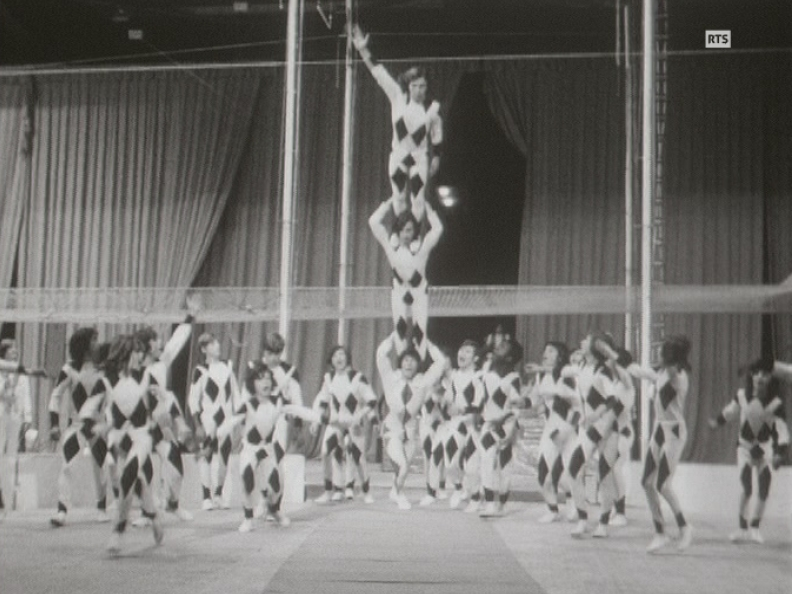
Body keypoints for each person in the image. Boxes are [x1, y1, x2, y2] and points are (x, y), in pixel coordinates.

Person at [351, 23, 443, 230]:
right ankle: (400, 233)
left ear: (427, 87)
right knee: (399, 197)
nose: (419, 90)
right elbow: (378, 72)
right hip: (400, 156)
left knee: (417, 199)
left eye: (423, 86)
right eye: (415, 86)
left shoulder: (432, 110)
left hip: (419, 157)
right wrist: (362, 48)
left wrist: (436, 156)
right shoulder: (397, 97)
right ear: (408, 86)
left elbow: (437, 135)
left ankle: (415, 238)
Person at [708, 357, 790, 544]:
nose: (760, 377)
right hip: (744, 448)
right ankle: (741, 528)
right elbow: (729, 412)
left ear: (771, 378)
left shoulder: (776, 404)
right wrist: (716, 422)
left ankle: (754, 528)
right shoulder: (741, 396)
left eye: (765, 374)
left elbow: (782, 431)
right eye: (757, 373)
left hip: (764, 449)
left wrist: (780, 453)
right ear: (752, 376)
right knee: (747, 488)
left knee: (764, 489)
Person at [131, 305, 196, 525]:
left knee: (176, 470)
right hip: (140, 428)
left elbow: (177, 341)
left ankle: (172, 504)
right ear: (147, 345)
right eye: (156, 340)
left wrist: (190, 317)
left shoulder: (161, 364)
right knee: (143, 469)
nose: (160, 343)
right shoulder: (134, 371)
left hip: (161, 428)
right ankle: (145, 513)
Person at [629, 335, 694, 553]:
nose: (656, 352)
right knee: (647, 482)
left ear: (670, 356)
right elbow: (640, 371)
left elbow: (669, 371)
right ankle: (660, 532)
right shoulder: (663, 371)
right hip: (660, 429)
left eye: (661, 350)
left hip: (674, 431)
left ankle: (685, 528)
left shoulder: (678, 375)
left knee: (663, 485)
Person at [100, 334, 165, 554]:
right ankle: (153, 514)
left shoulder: (146, 375)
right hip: (119, 438)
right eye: (136, 352)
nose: (140, 356)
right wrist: (100, 425)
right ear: (125, 354)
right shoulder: (108, 378)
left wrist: (163, 413)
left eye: (141, 351)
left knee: (128, 477)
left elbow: (162, 402)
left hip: (141, 436)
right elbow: (103, 407)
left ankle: (117, 531)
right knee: (136, 481)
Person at [48, 327, 112, 527]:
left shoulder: (104, 369)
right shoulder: (69, 369)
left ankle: (101, 507)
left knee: (100, 467)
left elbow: (110, 398)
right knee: (67, 465)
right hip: (76, 425)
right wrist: (53, 425)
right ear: (84, 345)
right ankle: (61, 510)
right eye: (93, 340)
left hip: (99, 426)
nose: (97, 344)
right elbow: (55, 396)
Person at [376, 332, 446, 510]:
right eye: (405, 360)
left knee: (401, 471)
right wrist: (393, 336)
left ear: (418, 364)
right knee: (403, 466)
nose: (408, 363)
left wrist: (426, 342)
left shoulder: (423, 381)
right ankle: (398, 495)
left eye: (413, 360)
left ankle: (395, 490)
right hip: (392, 431)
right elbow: (381, 355)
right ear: (400, 362)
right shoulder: (391, 378)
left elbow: (441, 363)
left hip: (410, 432)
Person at [369, 198, 443, 361]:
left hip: (418, 291)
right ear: (397, 230)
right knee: (400, 329)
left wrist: (429, 208)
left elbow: (437, 229)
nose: (405, 234)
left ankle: (420, 367)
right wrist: (388, 203)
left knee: (420, 331)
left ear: (414, 231)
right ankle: (403, 363)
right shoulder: (391, 246)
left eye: (409, 230)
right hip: (399, 290)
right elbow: (373, 222)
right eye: (402, 230)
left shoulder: (421, 248)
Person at [312, 345, 378, 504]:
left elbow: (371, 401)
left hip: (353, 424)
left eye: (341, 354)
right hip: (336, 423)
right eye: (335, 356)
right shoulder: (329, 378)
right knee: (326, 452)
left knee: (358, 457)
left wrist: (360, 417)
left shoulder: (358, 377)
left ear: (347, 357)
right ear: (331, 360)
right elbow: (323, 400)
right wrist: (316, 420)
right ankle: (331, 490)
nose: (338, 358)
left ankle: (365, 491)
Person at [523, 341, 581, 523]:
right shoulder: (541, 377)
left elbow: (578, 406)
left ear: (560, 355)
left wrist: (570, 427)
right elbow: (534, 401)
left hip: (569, 428)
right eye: (545, 349)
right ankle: (552, 509)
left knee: (569, 473)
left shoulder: (566, 375)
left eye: (551, 350)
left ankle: (575, 505)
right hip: (551, 429)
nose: (545, 353)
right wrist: (520, 402)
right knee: (543, 471)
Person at [235, 362, 291, 532]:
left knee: (275, 486)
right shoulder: (248, 404)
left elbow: (295, 410)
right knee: (247, 479)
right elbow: (235, 423)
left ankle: (274, 510)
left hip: (268, 449)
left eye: (268, 378)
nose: (265, 382)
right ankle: (247, 518)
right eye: (260, 379)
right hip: (250, 449)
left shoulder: (278, 402)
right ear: (253, 383)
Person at [188, 333, 240, 511]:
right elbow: (193, 399)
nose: (217, 345)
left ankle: (218, 494)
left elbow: (236, 394)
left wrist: (238, 417)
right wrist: (197, 425)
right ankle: (206, 497)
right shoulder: (200, 370)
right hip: (208, 417)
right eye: (211, 343)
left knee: (225, 454)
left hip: (226, 417)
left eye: (216, 341)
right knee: (206, 455)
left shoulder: (228, 366)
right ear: (204, 349)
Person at [477, 332, 527, 517]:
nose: (499, 347)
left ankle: (503, 502)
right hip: (489, 424)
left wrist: (503, 421)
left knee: (504, 466)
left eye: (504, 346)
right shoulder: (487, 371)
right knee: (487, 460)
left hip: (506, 425)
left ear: (510, 356)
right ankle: (490, 502)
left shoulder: (513, 377)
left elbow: (515, 406)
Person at [438, 339, 486, 512]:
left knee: (472, 466)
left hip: (473, 424)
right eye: (461, 350)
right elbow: (449, 399)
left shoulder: (479, 377)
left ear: (475, 358)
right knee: (450, 463)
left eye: (467, 352)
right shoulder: (455, 376)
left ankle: (475, 497)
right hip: (457, 423)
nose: (462, 354)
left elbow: (480, 403)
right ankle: (458, 488)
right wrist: (445, 404)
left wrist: (462, 408)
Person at [0, 339, 34, 518]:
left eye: (16, 350)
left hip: (15, 416)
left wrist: (27, 417)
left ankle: (7, 499)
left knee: (11, 457)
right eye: (11, 350)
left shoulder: (21, 374)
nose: (14, 352)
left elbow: (26, 396)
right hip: (1, 415)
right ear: (3, 352)